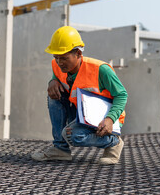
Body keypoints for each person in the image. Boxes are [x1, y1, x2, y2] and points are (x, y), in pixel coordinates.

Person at [31, 26, 127, 164]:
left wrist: (110, 119)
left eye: (64, 58)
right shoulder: (58, 66)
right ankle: (60, 149)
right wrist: (52, 81)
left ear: (78, 53)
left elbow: (122, 95)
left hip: (104, 117)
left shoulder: (101, 70)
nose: (59, 62)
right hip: (82, 113)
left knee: (72, 136)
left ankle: (113, 142)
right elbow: (58, 77)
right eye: (56, 57)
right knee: (53, 96)